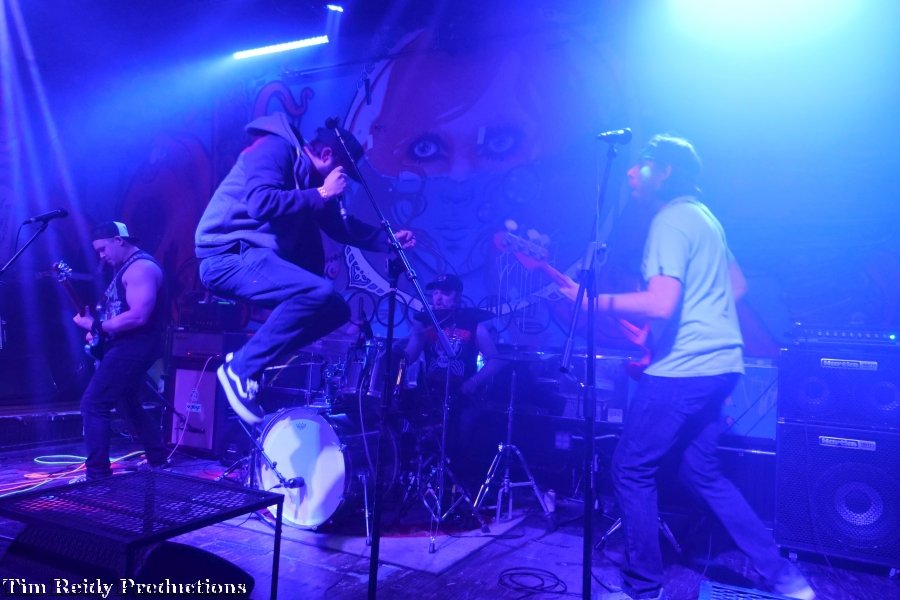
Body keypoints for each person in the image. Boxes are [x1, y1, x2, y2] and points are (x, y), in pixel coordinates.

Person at [558, 135, 814, 600]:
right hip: (721, 365)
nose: (631, 172)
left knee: (631, 469)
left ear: (666, 171)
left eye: (642, 164)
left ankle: (643, 587)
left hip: (684, 371)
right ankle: (784, 577)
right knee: (702, 472)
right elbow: (736, 285)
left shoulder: (670, 220)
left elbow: (661, 302)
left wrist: (593, 301)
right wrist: (676, 329)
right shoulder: (705, 219)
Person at [195, 112, 415, 425]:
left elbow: (340, 226)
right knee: (317, 291)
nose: (342, 184)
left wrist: (387, 239)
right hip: (227, 255)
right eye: (342, 172)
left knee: (334, 309)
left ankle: (249, 365)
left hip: (254, 258)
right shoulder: (274, 148)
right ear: (326, 155)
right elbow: (260, 202)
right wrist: (323, 193)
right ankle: (241, 368)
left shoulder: (309, 181)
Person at [72, 221, 168, 481]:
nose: (101, 256)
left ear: (118, 240)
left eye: (103, 249)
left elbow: (138, 316)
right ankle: (158, 460)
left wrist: (96, 326)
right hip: (127, 345)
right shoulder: (127, 269)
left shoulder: (141, 268)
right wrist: (99, 331)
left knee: (93, 404)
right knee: (128, 404)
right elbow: (118, 314)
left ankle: (97, 476)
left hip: (135, 347)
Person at [404, 274, 505, 481]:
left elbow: (496, 360)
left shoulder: (472, 324)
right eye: (435, 292)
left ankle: (458, 485)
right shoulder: (425, 322)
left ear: (457, 296)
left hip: (462, 396)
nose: (438, 297)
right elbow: (410, 356)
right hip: (430, 397)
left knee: (461, 442)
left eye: (445, 292)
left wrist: (473, 382)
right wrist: (416, 335)